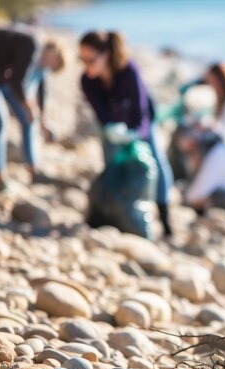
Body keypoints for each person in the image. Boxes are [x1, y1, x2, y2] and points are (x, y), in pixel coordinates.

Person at [79, 31, 174, 237]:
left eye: (90, 60)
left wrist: (135, 135)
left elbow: (142, 114)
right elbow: (101, 114)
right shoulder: (87, 81)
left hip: (141, 123)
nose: (86, 65)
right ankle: (112, 214)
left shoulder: (128, 71)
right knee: (113, 166)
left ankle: (165, 219)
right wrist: (112, 129)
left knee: (155, 162)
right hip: (113, 127)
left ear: (106, 55)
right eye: (82, 60)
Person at [0, 28, 65, 190]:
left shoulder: (37, 52)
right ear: (55, 52)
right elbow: (17, 80)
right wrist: (29, 105)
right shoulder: (32, 45)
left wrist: (41, 115)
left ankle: (30, 168)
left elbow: (39, 87)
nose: (49, 68)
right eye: (54, 64)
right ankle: (0, 178)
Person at [176, 127, 225, 215]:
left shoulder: (216, 156)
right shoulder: (217, 149)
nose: (189, 158)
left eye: (189, 152)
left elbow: (192, 197)